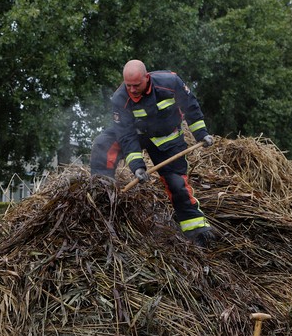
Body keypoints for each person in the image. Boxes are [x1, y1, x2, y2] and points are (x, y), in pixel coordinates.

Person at [91, 59, 215, 246]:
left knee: (176, 183)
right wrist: (137, 167)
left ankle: (196, 229)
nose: (132, 90)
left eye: (136, 85)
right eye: (128, 85)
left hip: (167, 138)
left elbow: (190, 106)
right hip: (137, 135)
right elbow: (126, 136)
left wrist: (201, 133)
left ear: (146, 77)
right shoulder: (119, 99)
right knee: (104, 144)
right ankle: (101, 196)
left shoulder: (170, 83)